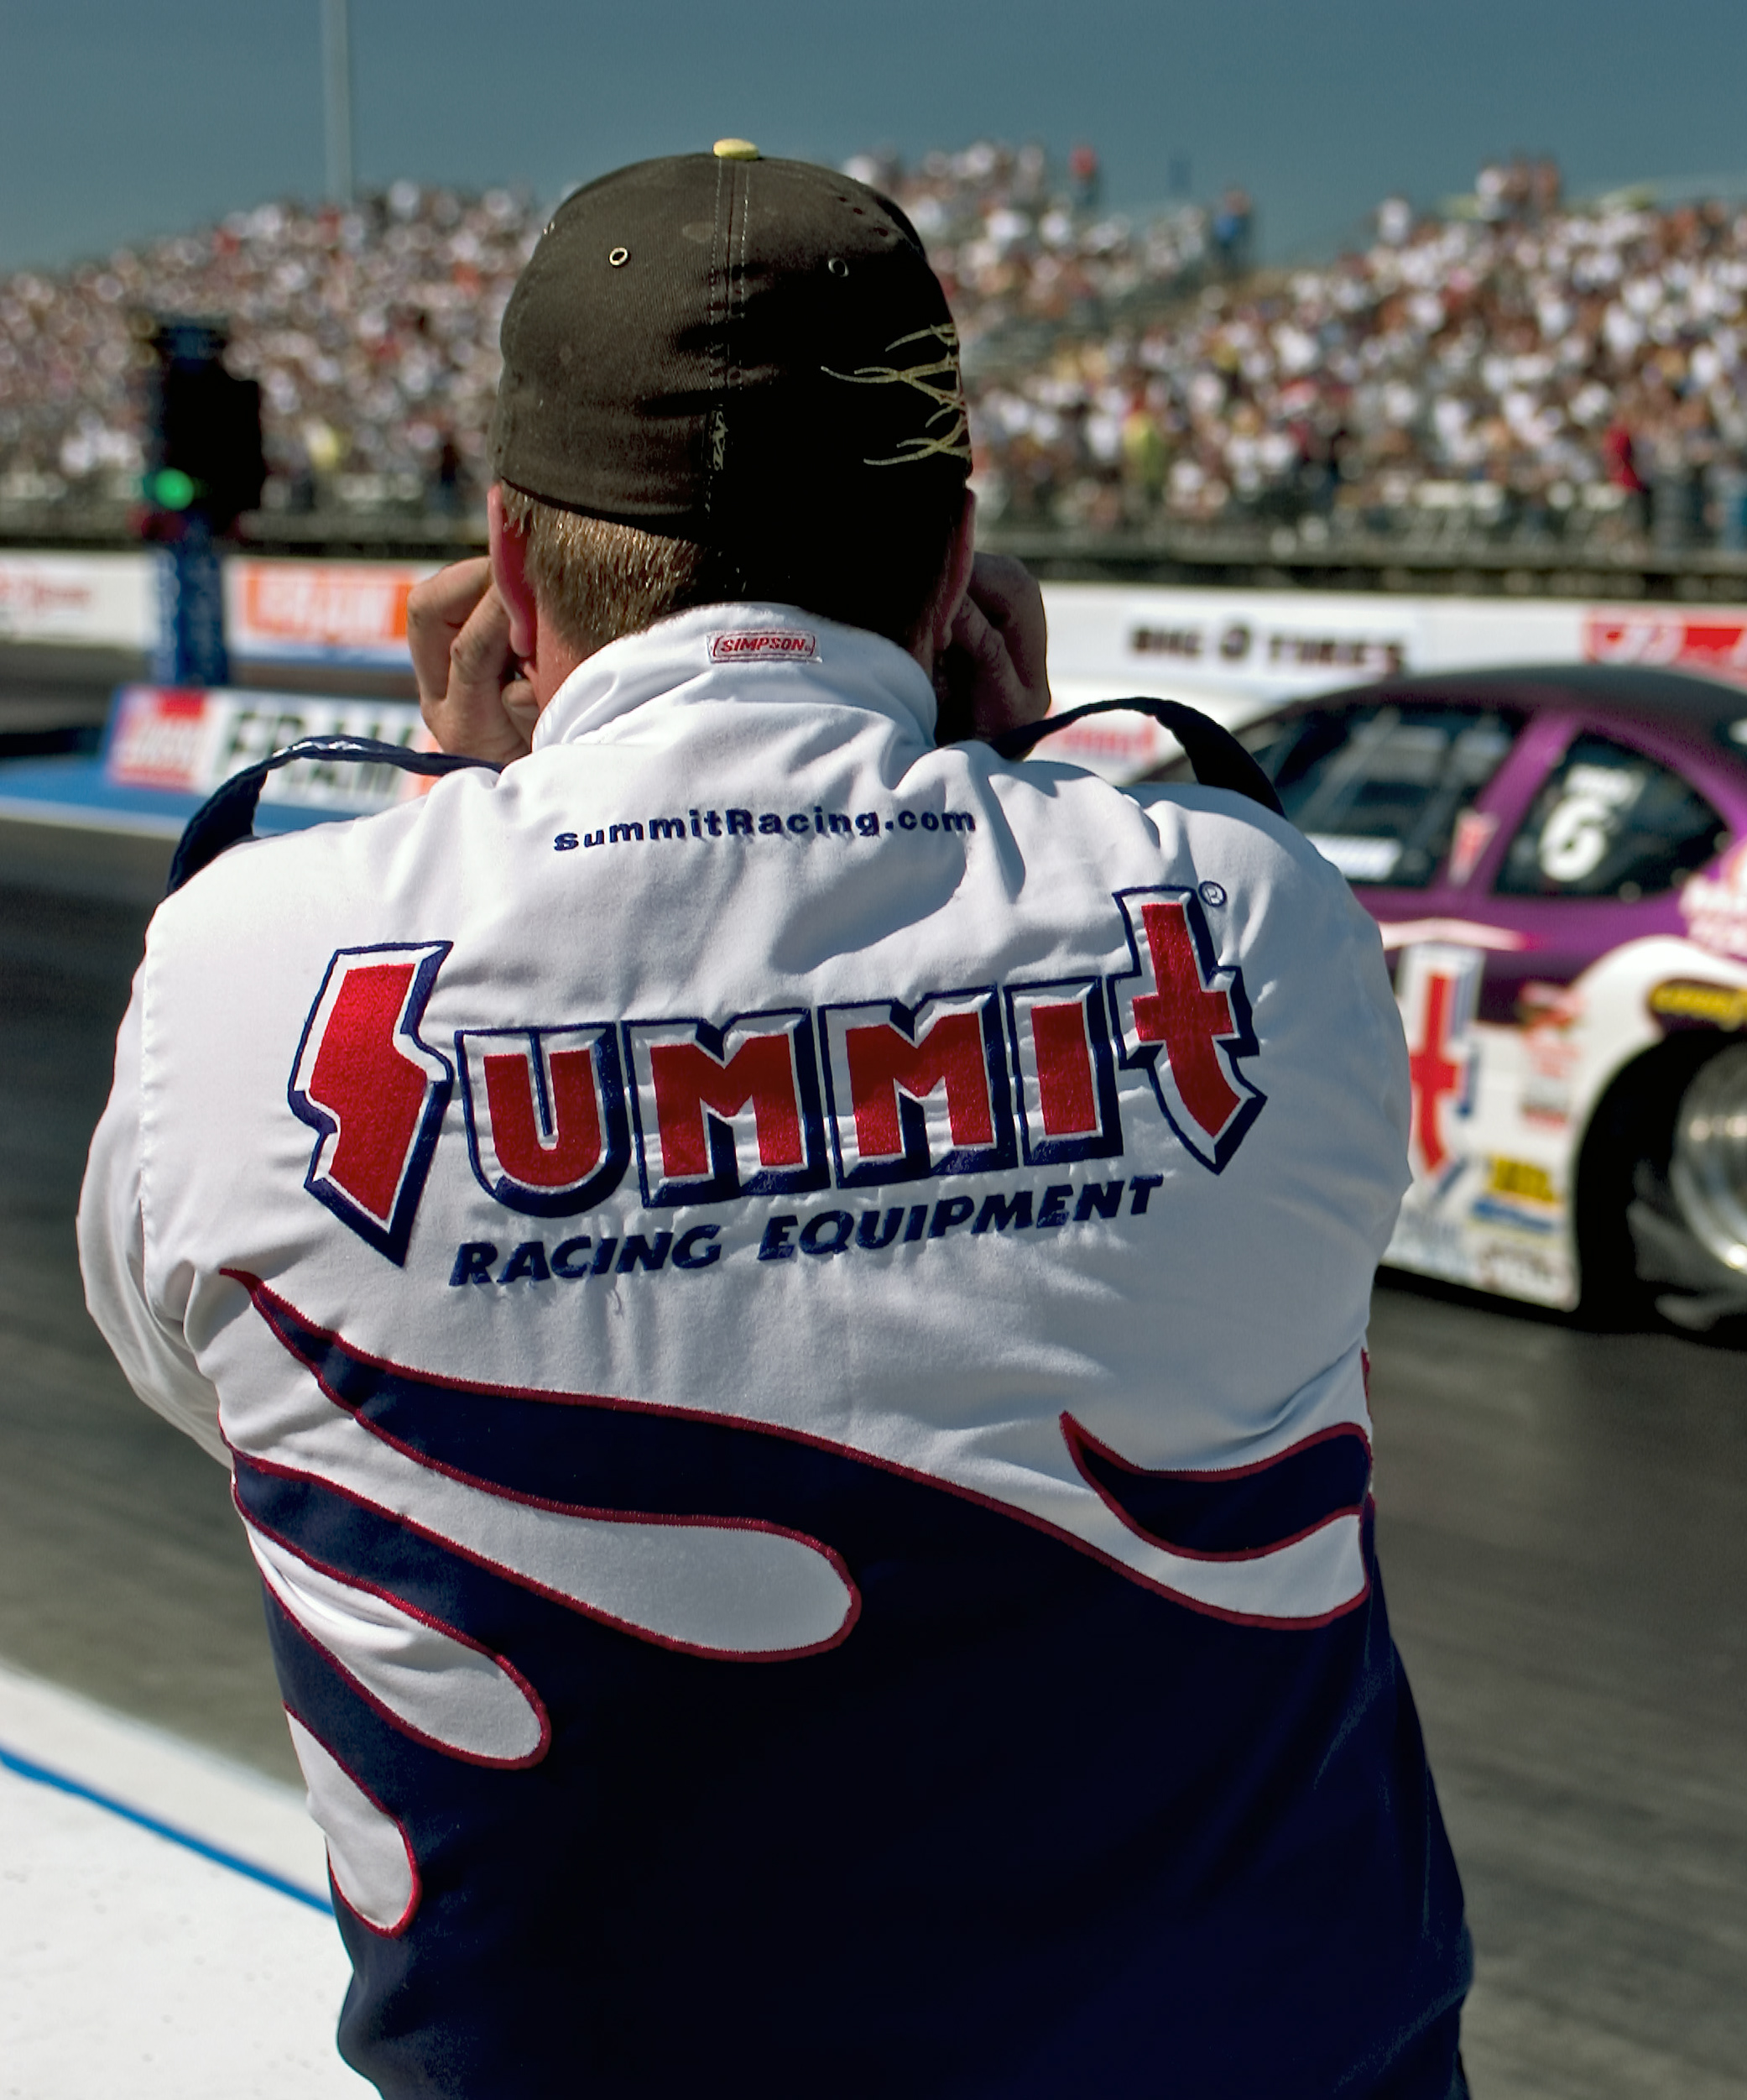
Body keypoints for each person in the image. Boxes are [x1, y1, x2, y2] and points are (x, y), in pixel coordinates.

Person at [76, 145, 1469, 2097]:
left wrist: (451, 813)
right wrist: (1015, 778)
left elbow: (218, 1384)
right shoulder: (1251, 909)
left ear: (507, 568)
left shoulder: (251, 960)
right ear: (957, 562)